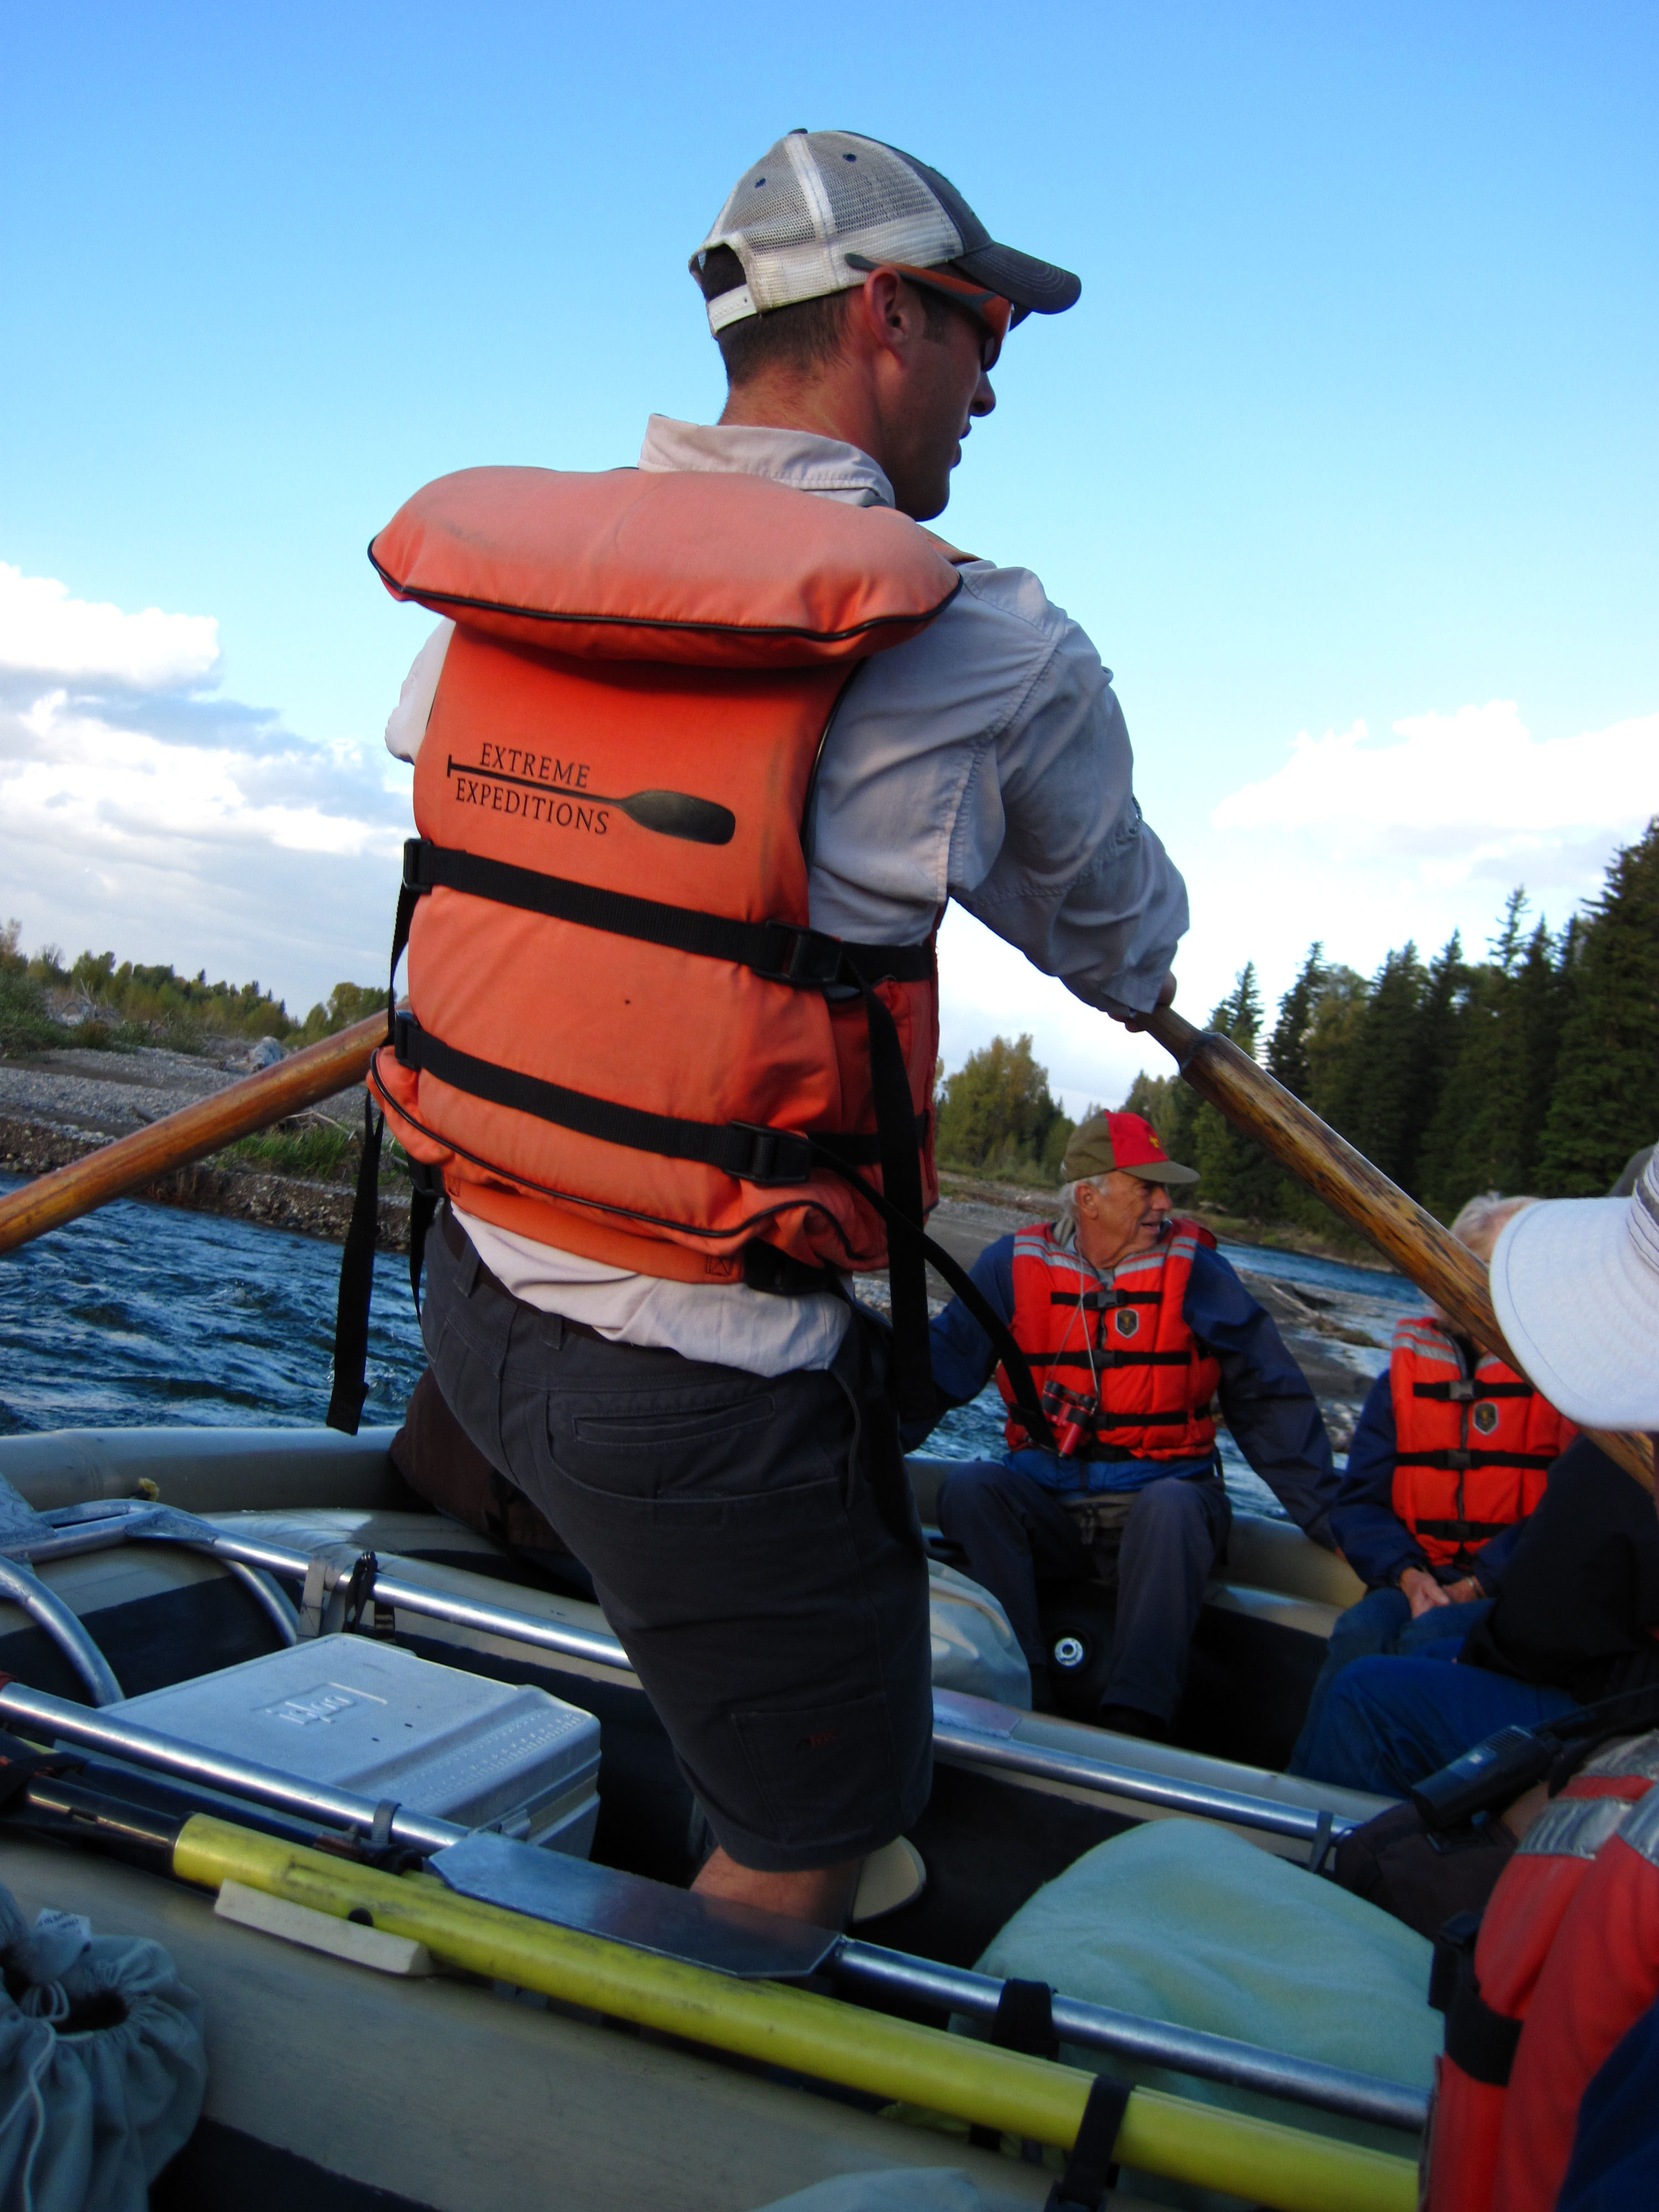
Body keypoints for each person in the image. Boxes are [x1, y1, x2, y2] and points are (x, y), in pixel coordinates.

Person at [371, 132, 1189, 1927]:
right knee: (816, 1853)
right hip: (695, 1390)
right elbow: (1125, 945)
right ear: (889, 314)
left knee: (618, 1522)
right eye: (982, 330)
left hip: (473, 1289)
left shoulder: (519, 587)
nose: (992, 381)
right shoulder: (994, 645)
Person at [921, 1109, 1340, 1735]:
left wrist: (1335, 1520)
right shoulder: (1010, 1266)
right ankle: (1025, 1690)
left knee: (1170, 1507)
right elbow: (938, 1374)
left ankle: (1135, 1718)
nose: (1164, 1203)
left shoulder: (1197, 1272)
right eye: (1147, 1187)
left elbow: (1267, 1397)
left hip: (1165, 1511)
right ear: (1088, 1197)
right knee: (972, 1489)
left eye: (1164, 1188)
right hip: (1052, 1508)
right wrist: (858, 1457)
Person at [1421, 1146, 1659, 2212]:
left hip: (1554, 1674)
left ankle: (1377, 1870)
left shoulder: (1605, 1438)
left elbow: (1553, 1601)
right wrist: (1402, 1569)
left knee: (1376, 1690)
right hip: (1548, 1666)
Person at [1288, 1192, 1574, 1771]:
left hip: (1512, 1593)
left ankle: (1395, 1827)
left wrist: (1480, 1584)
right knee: (1361, 1632)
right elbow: (1361, 1502)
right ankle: (1301, 1800)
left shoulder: (1568, 1384)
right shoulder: (1404, 1376)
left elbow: (1571, 1515)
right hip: (1418, 1574)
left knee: (1428, 1644)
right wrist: (1410, 1575)